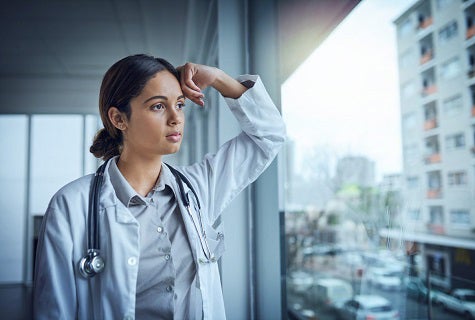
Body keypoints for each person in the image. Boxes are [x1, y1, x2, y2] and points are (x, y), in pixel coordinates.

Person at [33, 54, 286, 319]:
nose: (176, 118)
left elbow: (268, 135)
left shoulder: (197, 188)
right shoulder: (71, 206)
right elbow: (53, 312)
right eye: (158, 106)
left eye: (179, 104)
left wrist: (219, 78)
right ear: (119, 119)